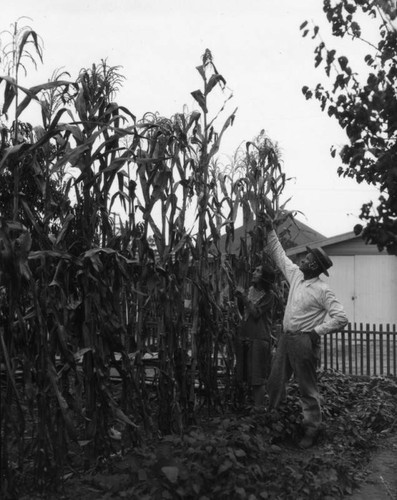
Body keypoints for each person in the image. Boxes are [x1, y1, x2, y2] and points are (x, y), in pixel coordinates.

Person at [263, 217, 348, 448]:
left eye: (308, 258)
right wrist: (270, 229)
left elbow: (341, 318)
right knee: (275, 382)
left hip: (304, 341)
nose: (303, 258)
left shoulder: (322, 290)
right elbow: (279, 255)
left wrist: (316, 333)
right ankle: (273, 424)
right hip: (286, 339)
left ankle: (311, 429)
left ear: (314, 266)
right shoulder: (297, 276)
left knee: (307, 388)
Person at [234, 263, 276, 407]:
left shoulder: (269, 296)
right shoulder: (251, 290)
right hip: (247, 337)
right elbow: (244, 312)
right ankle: (253, 408)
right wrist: (238, 299)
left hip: (260, 339)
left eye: (258, 271)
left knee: (258, 378)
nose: (254, 272)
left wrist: (244, 298)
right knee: (249, 376)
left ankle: (259, 410)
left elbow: (256, 313)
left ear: (264, 277)